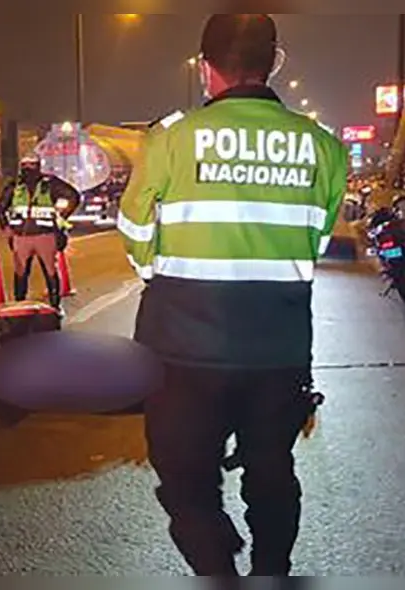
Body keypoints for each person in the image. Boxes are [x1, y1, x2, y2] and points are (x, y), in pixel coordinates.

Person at [117, 14, 347, 576]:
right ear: (274, 63)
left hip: (181, 350)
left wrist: (163, 274)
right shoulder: (323, 148)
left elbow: (135, 230)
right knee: (271, 471)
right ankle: (271, 569)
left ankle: (217, 568)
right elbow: (315, 239)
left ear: (204, 69)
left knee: (186, 478)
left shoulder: (170, 138)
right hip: (279, 347)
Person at [0, 157, 80, 313]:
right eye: (25, 165)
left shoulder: (50, 184)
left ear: (38, 166)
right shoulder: (15, 187)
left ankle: (55, 306)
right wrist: (6, 227)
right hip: (21, 236)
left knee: (50, 272)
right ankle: (20, 305)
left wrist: (62, 216)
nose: (28, 168)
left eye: (32, 165)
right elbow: (0, 207)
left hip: (45, 235)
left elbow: (74, 196)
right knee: (21, 273)